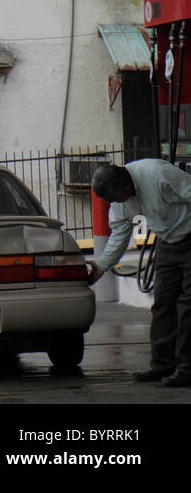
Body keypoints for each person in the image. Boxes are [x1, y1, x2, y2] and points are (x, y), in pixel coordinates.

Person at [90, 160, 191, 387]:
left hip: (189, 233)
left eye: (118, 199)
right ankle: (163, 365)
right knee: (163, 304)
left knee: (187, 306)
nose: (119, 204)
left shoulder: (158, 174)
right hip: (167, 240)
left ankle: (187, 369)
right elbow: (119, 234)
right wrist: (101, 265)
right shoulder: (118, 197)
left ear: (126, 188)